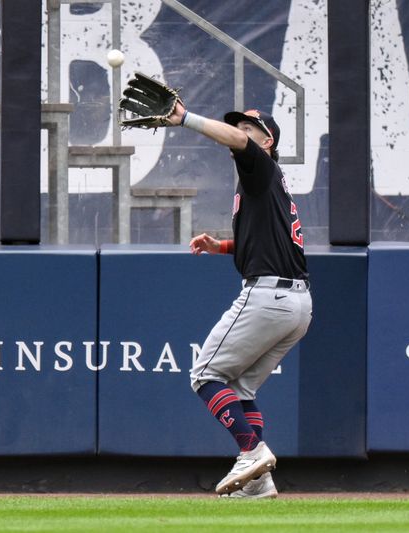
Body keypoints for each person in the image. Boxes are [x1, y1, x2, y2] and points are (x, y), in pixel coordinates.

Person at [164, 102, 313, 499]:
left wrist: (187, 119)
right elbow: (273, 244)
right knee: (243, 389)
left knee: (205, 375)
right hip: (297, 304)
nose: (242, 131)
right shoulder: (266, 185)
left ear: (268, 141)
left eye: (250, 128)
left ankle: (252, 451)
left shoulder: (260, 166)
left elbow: (237, 142)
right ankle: (258, 481)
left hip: (269, 296)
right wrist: (223, 246)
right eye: (240, 126)